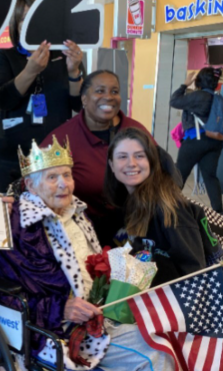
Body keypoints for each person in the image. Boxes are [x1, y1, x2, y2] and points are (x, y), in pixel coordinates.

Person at [0, 137, 176, 371]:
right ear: (30, 185)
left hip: (101, 314)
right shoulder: (17, 225)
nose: (63, 185)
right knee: (155, 354)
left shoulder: (78, 215)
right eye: (52, 177)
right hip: (57, 330)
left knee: (166, 336)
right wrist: (61, 307)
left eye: (67, 175)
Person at [41, 69, 150, 246]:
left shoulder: (137, 131)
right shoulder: (62, 138)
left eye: (114, 91)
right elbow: (37, 186)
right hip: (81, 231)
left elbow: (162, 173)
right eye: (100, 91)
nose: (108, 97)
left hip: (137, 226)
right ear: (83, 98)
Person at [0, 0, 84, 193]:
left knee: (52, 215)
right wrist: (30, 70)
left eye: (37, 16)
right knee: (10, 215)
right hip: (11, 159)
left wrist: (74, 71)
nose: (31, 23)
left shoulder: (63, 55)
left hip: (53, 157)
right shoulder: (5, 56)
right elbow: (2, 99)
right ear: (16, 25)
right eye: (24, 18)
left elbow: (78, 104)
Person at [104, 127, 218, 286]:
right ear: (111, 164)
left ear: (151, 161)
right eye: (122, 157)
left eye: (139, 156)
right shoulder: (124, 205)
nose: (131, 163)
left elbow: (193, 274)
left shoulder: (170, 208)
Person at [170, 67, 223, 213]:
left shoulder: (198, 96)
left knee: (179, 173)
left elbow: (174, 101)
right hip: (215, 142)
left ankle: (166, 208)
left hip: (195, 141)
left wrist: (185, 84)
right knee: (210, 177)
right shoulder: (218, 98)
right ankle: (220, 213)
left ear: (199, 80)